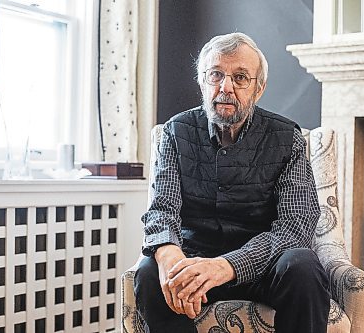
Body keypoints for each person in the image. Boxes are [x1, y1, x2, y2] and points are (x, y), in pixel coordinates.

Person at [134, 32, 330, 333]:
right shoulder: (175, 133)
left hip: (263, 267)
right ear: (202, 81)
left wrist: (227, 266)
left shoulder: (286, 138)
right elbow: (162, 209)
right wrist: (170, 256)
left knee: (303, 266)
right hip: (195, 261)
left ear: (258, 88)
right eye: (215, 75)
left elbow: (296, 226)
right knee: (150, 272)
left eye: (240, 77)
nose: (225, 87)